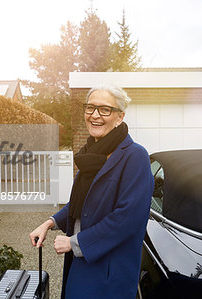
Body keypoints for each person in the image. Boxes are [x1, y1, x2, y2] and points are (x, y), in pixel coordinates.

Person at [29, 84, 154, 299]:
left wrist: (74, 242)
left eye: (105, 109)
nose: (95, 115)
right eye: (90, 108)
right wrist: (50, 223)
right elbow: (82, 203)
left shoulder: (134, 156)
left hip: (107, 270)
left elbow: (128, 218)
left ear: (119, 116)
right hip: (80, 262)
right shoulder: (90, 154)